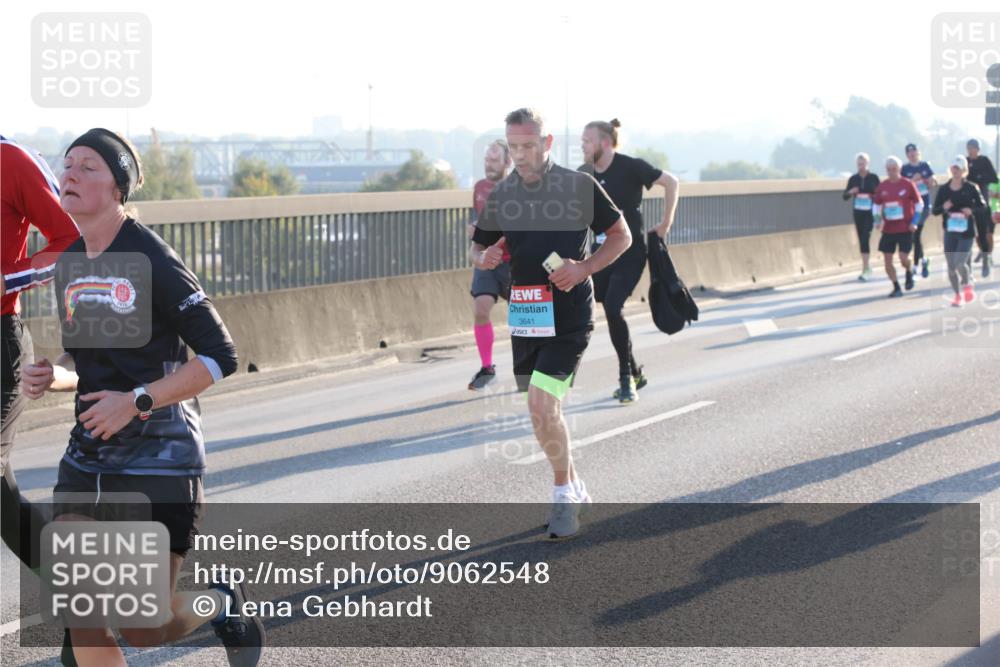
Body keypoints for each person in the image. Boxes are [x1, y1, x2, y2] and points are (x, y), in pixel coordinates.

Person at [20, 128, 262, 667]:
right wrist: (52, 376)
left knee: (145, 628)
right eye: (68, 164)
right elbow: (82, 361)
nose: (70, 175)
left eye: (89, 167)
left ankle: (220, 602)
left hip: (160, 457)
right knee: (81, 607)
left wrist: (137, 401)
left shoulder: (150, 255)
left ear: (118, 187)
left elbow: (221, 356)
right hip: (88, 455)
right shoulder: (71, 262)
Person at [471, 109, 629, 538]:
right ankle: (575, 484)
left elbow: (621, 236)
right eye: (513, 146)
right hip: (525, 314)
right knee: (542, 412)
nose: (519, 155)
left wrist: (585, 268)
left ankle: (562, 495)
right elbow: (478, 247)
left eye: (527, 146)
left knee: (543, 403)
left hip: (571, 318)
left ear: (547, 143)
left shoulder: (578, 186)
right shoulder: (503, 195)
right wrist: (482, 258)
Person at [1, 135, 80, 567]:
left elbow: (71, 239)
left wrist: (7, 280)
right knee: (3, 502)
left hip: (0, 342)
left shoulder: (11, 160)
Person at [579, 119, 679, 403]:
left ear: (605, 143)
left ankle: (625, 378)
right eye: (582, 141)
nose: (582, 146)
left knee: (612, 306)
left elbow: (671, 182)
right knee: (589, 308)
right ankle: (635, 370)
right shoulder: (583, 175)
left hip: (630, 253)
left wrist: (665, 224)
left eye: (587, 141)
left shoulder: (630, 166)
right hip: (600, 254)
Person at [467, 140, 512, 390]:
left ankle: (534, 368)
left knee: (523, 320)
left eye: (494, 160)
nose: (489, 164)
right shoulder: (480, 188)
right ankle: (487, 368)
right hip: (487, 260)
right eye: (486, 160)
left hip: (515, 262)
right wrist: (474, 231)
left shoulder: (518, 188)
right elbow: (480, 219)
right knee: (481, 308)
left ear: (508, 162)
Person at [932, 156, 985, 306]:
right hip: (950, 231)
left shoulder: (971, 187)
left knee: (959, 262)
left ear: (964, 170)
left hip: (966, 231)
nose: (955, 171)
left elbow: (982, 206)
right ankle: (957, 296)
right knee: (951, 267)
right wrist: (944, 208)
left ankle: (967, 284)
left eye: (958, 168)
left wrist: (971, 210)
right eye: (953, 168)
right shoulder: (944, 189)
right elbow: (935, 211)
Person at [873, 156, 923, 298]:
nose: (891, 172)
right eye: (888, 170)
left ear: (899, 169)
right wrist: (877, 219)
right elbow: (876, 205)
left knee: (903, 258)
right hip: (888, 228)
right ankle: (896, 287)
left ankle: (909, 271)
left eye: (894, 169)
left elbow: (919, 204)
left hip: (905, 227)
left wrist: (915, 221)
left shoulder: (907, 184)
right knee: (887, 261)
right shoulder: (882, 186)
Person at [842, 152, 880, 281]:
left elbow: (880, 195)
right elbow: (844, 196)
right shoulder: (853, 179)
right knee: (861, 238)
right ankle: (866, 266)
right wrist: (851, 192)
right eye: (858, 164)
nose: (860, 166)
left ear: (867, 164)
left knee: (865, 236)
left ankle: (865, 268)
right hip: (858, 211)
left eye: (863, 163)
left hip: (870, 211)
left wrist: (872, 195)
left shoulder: (874, 178)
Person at [900, 143, 935, 279]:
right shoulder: (905, 169)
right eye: (909, 153)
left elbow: (932, 183)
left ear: (918, 152)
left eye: (914, 151)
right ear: (907, 155)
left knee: (917, 233)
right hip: (911, 206)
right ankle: (924, 260)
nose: (912, 154)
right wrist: (911, 181)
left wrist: (927, 180)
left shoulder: (924, 166)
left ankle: (915, 267)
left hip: (924, 205)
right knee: (915, 237)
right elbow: (902, 186)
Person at [966, 138, 998, 277]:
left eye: (973, 147)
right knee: (975, 235)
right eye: (969, 147)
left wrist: (980, 178)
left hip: (982, 200)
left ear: (978, 149)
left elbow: (993, 178)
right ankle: (983, 252)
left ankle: (987, 257)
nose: (971, 150)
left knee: (985, 232)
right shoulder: (966, 162)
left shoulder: (984, 160)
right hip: (968, 201)